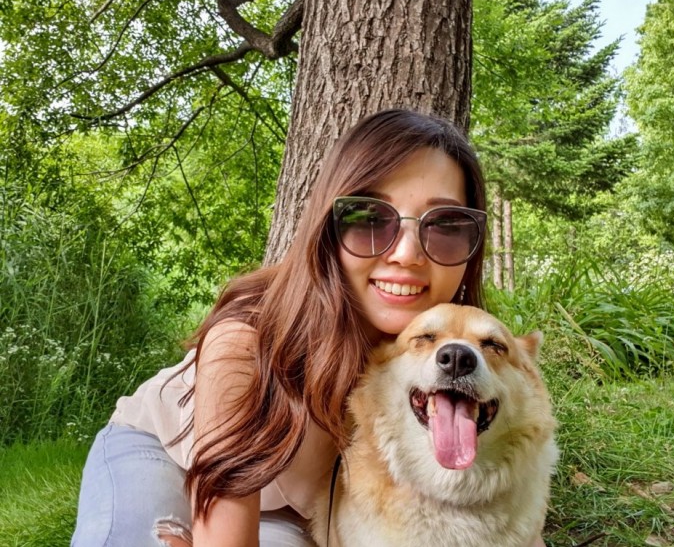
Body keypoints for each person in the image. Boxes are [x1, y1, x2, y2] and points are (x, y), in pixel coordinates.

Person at [72, 109, 543, 547]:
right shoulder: (245, 339)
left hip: (296, 509)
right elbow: (228, 535)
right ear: (328, 227)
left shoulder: (445, 356)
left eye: (444, 224)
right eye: (368, 218)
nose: (406, 253)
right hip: (166, 455)